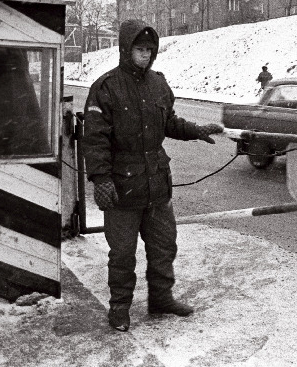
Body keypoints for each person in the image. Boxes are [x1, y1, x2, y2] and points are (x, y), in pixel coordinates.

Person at [82, 19, 223, 332]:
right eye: (139, 49)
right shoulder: (106, 87)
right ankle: (119, 309)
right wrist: (101, 179)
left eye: (149, 50)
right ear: (125, 49)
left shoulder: (158, 83)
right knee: (122, 255)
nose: (145, 55)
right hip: (122, 188)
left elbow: (169, 122)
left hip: (157, 185)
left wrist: (196, 130)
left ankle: (161, 298)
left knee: (163, 247)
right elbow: (95, 140)